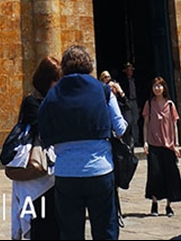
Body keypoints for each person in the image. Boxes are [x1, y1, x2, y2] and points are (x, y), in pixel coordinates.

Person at [37, 43, 127, 240]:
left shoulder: (53, 95)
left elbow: (43, 135)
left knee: (70, 234)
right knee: (105, 232)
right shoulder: (103, 91)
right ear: (89, 65)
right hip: (100, 171)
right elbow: (120, 129)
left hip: (66, 174)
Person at [9, 56, 62, 241]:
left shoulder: (52, 100)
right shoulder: (32, 102)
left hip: (51, 173)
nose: (59, 85)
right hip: (36, 168)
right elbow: (45, 128)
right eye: (57, 80)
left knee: (52, 222)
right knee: (40, 222)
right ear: (47, 80)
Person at [141, 76, 181, 216]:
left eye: (159, 86)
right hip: (154, 143)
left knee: (170, 175)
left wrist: (176, 144)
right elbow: (145, 124)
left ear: (164, 88)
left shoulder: (170, 105)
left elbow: (174, 125)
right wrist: (145, 141)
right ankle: (154, 203)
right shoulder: (149, 103)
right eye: (155, 86)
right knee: (155, 174)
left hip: (168, 145)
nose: (157, 88)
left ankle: (169, 205)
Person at [117, 62, 140, 149]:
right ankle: (128, 141)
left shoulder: (135, 80)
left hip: (134, 101)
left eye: (131, 70)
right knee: (128, 121)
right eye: (128, 70)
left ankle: (136, 140)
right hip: (127, 101)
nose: (130, 71)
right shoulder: (122, 81)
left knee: (135, 121)